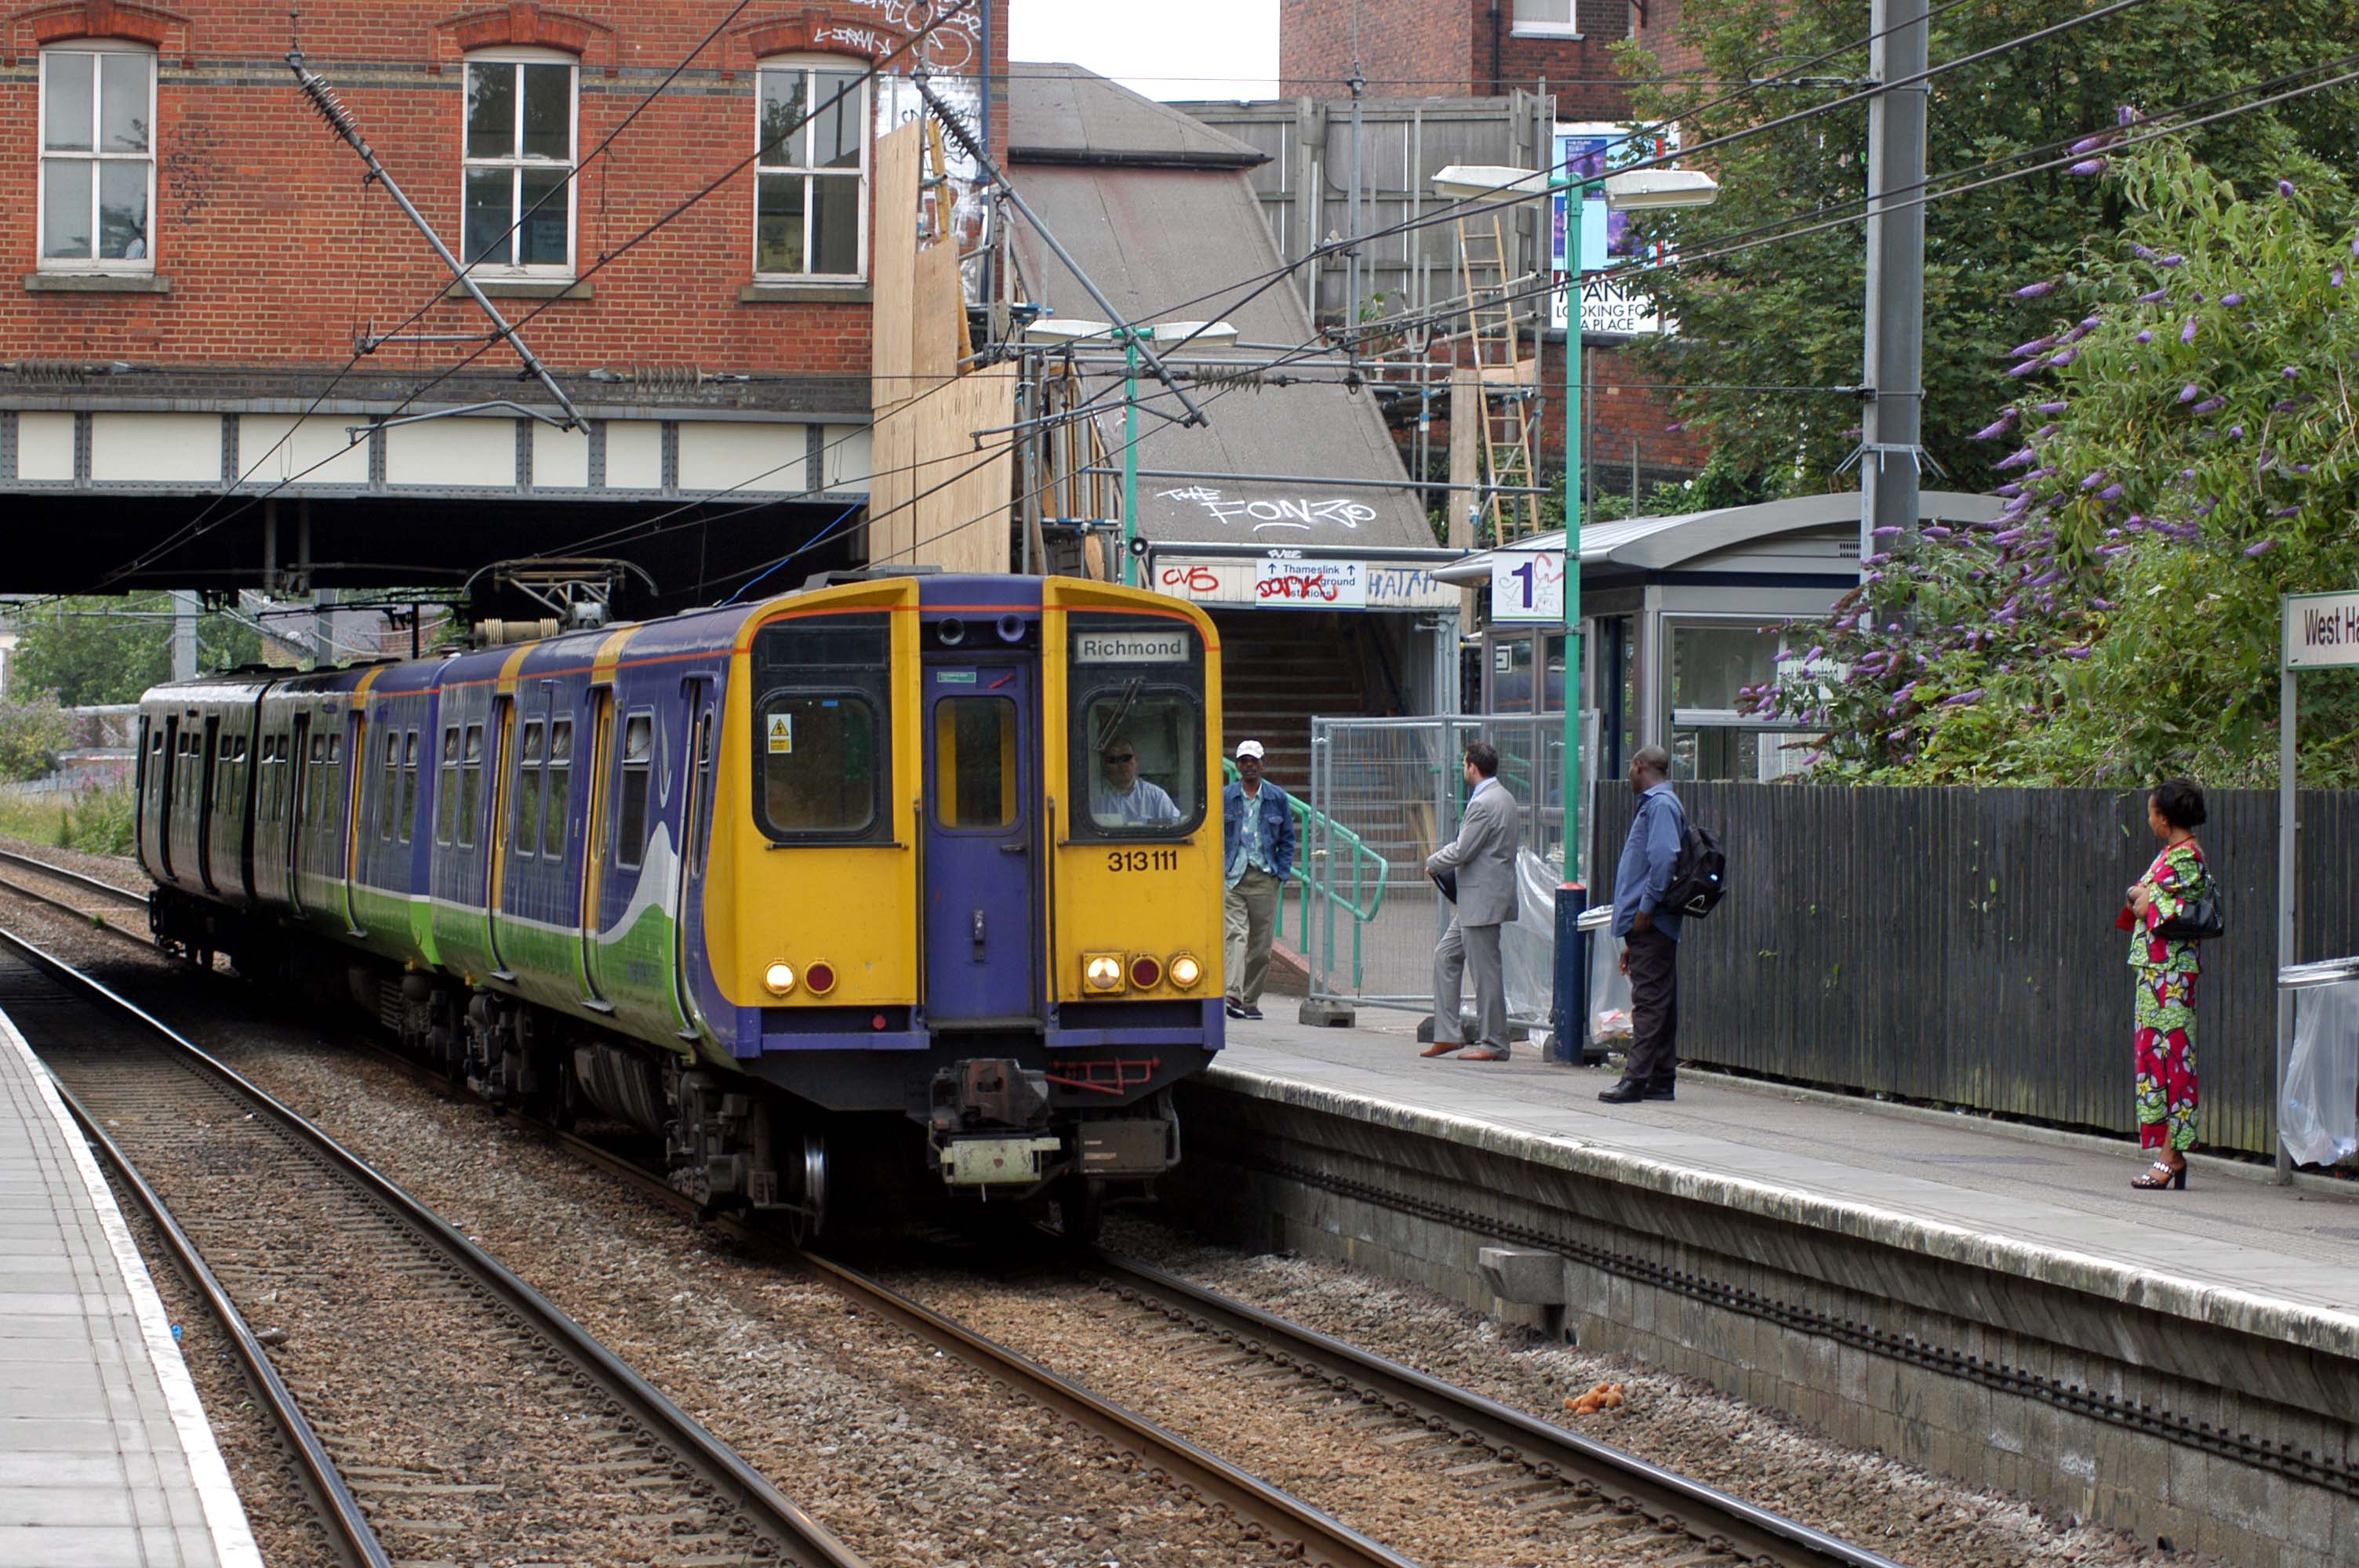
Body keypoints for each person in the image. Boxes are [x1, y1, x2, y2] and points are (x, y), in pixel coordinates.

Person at [2124, 777, 2210, 1189]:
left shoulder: (2187, 859)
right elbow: (2141, 898)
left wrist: (2142, 897)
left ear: (2165, 817)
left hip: (2171, 974)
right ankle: (2168, 1151)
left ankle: (2172, 1154)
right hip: (2157, 972)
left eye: (2151, 812)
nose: (2149, 819)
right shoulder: (2173, 855)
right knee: (2155, 1060)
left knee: (2173, 1059)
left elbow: (2144, 903)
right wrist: (2141, 896)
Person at [1420, 742, 1519, 1062]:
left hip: (1481, 900)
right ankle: (1448, 1035)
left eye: (1464, 764)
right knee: (1446, 956)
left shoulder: (1483, 804)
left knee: (1485, 972)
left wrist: (1433, 861)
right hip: (1479, 899)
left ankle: (1494, 1044)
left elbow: (1464, 849)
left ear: (1472, 767)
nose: (1464, 769)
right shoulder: (1504, 797)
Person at [1599, 746, 1685, 1105]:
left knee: (1648, 1002)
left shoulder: (1661, 806)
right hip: (1648, 923)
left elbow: (1664, 858)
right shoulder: (1658, 804)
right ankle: (1661, 1078)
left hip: (1651, 918)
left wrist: (1646, 909)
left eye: (1630, 770)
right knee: (1660, 999)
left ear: (1639, 767)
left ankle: (1635, 1079)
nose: (1629, 779)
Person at [1222, 739, 1296, 1021]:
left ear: (1263, 763)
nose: (1249, 766)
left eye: (1254, 761)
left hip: (1265, 876)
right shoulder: (1227, 796)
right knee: (1236, 936)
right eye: (1244, 761)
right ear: (1237, 765)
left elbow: (1288, 838)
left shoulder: (1277, 797)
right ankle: (1233, 994)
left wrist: (1282, 873)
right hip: (1233, 877)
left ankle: (1249, 1000)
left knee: (1261, 947)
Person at [1091, 733, 1180, 826]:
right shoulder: (1097, 800)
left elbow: (1177, 825)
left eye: (1126, 758)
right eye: (1113, 760)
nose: (1122, 764)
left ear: (1136, 760)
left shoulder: (1156, 796)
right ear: (1105, 766)